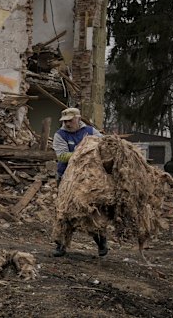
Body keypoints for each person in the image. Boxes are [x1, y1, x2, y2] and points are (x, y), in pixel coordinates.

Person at [52, 107, 105, 257]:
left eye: (70, 120)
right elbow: (61, 156)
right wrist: (84, 152)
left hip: (88, 178)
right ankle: (60, 244)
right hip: (66, 178)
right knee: (64, 211)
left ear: (78, 119)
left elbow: (102, 146)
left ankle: (101, 241)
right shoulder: (60, 135)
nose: (68, 124)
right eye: (65, 121)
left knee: (91, 210)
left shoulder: (90, 131)